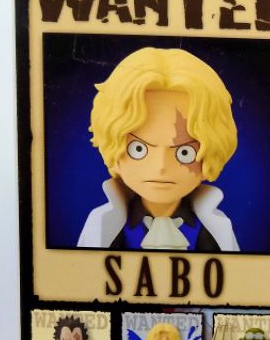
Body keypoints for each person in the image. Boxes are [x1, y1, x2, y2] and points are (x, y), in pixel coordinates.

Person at [77, 47, 239, 251]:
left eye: (184, 153)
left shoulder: (217, 230)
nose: (161, 166)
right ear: (112, 145)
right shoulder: (100, 226)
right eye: (138, 149)